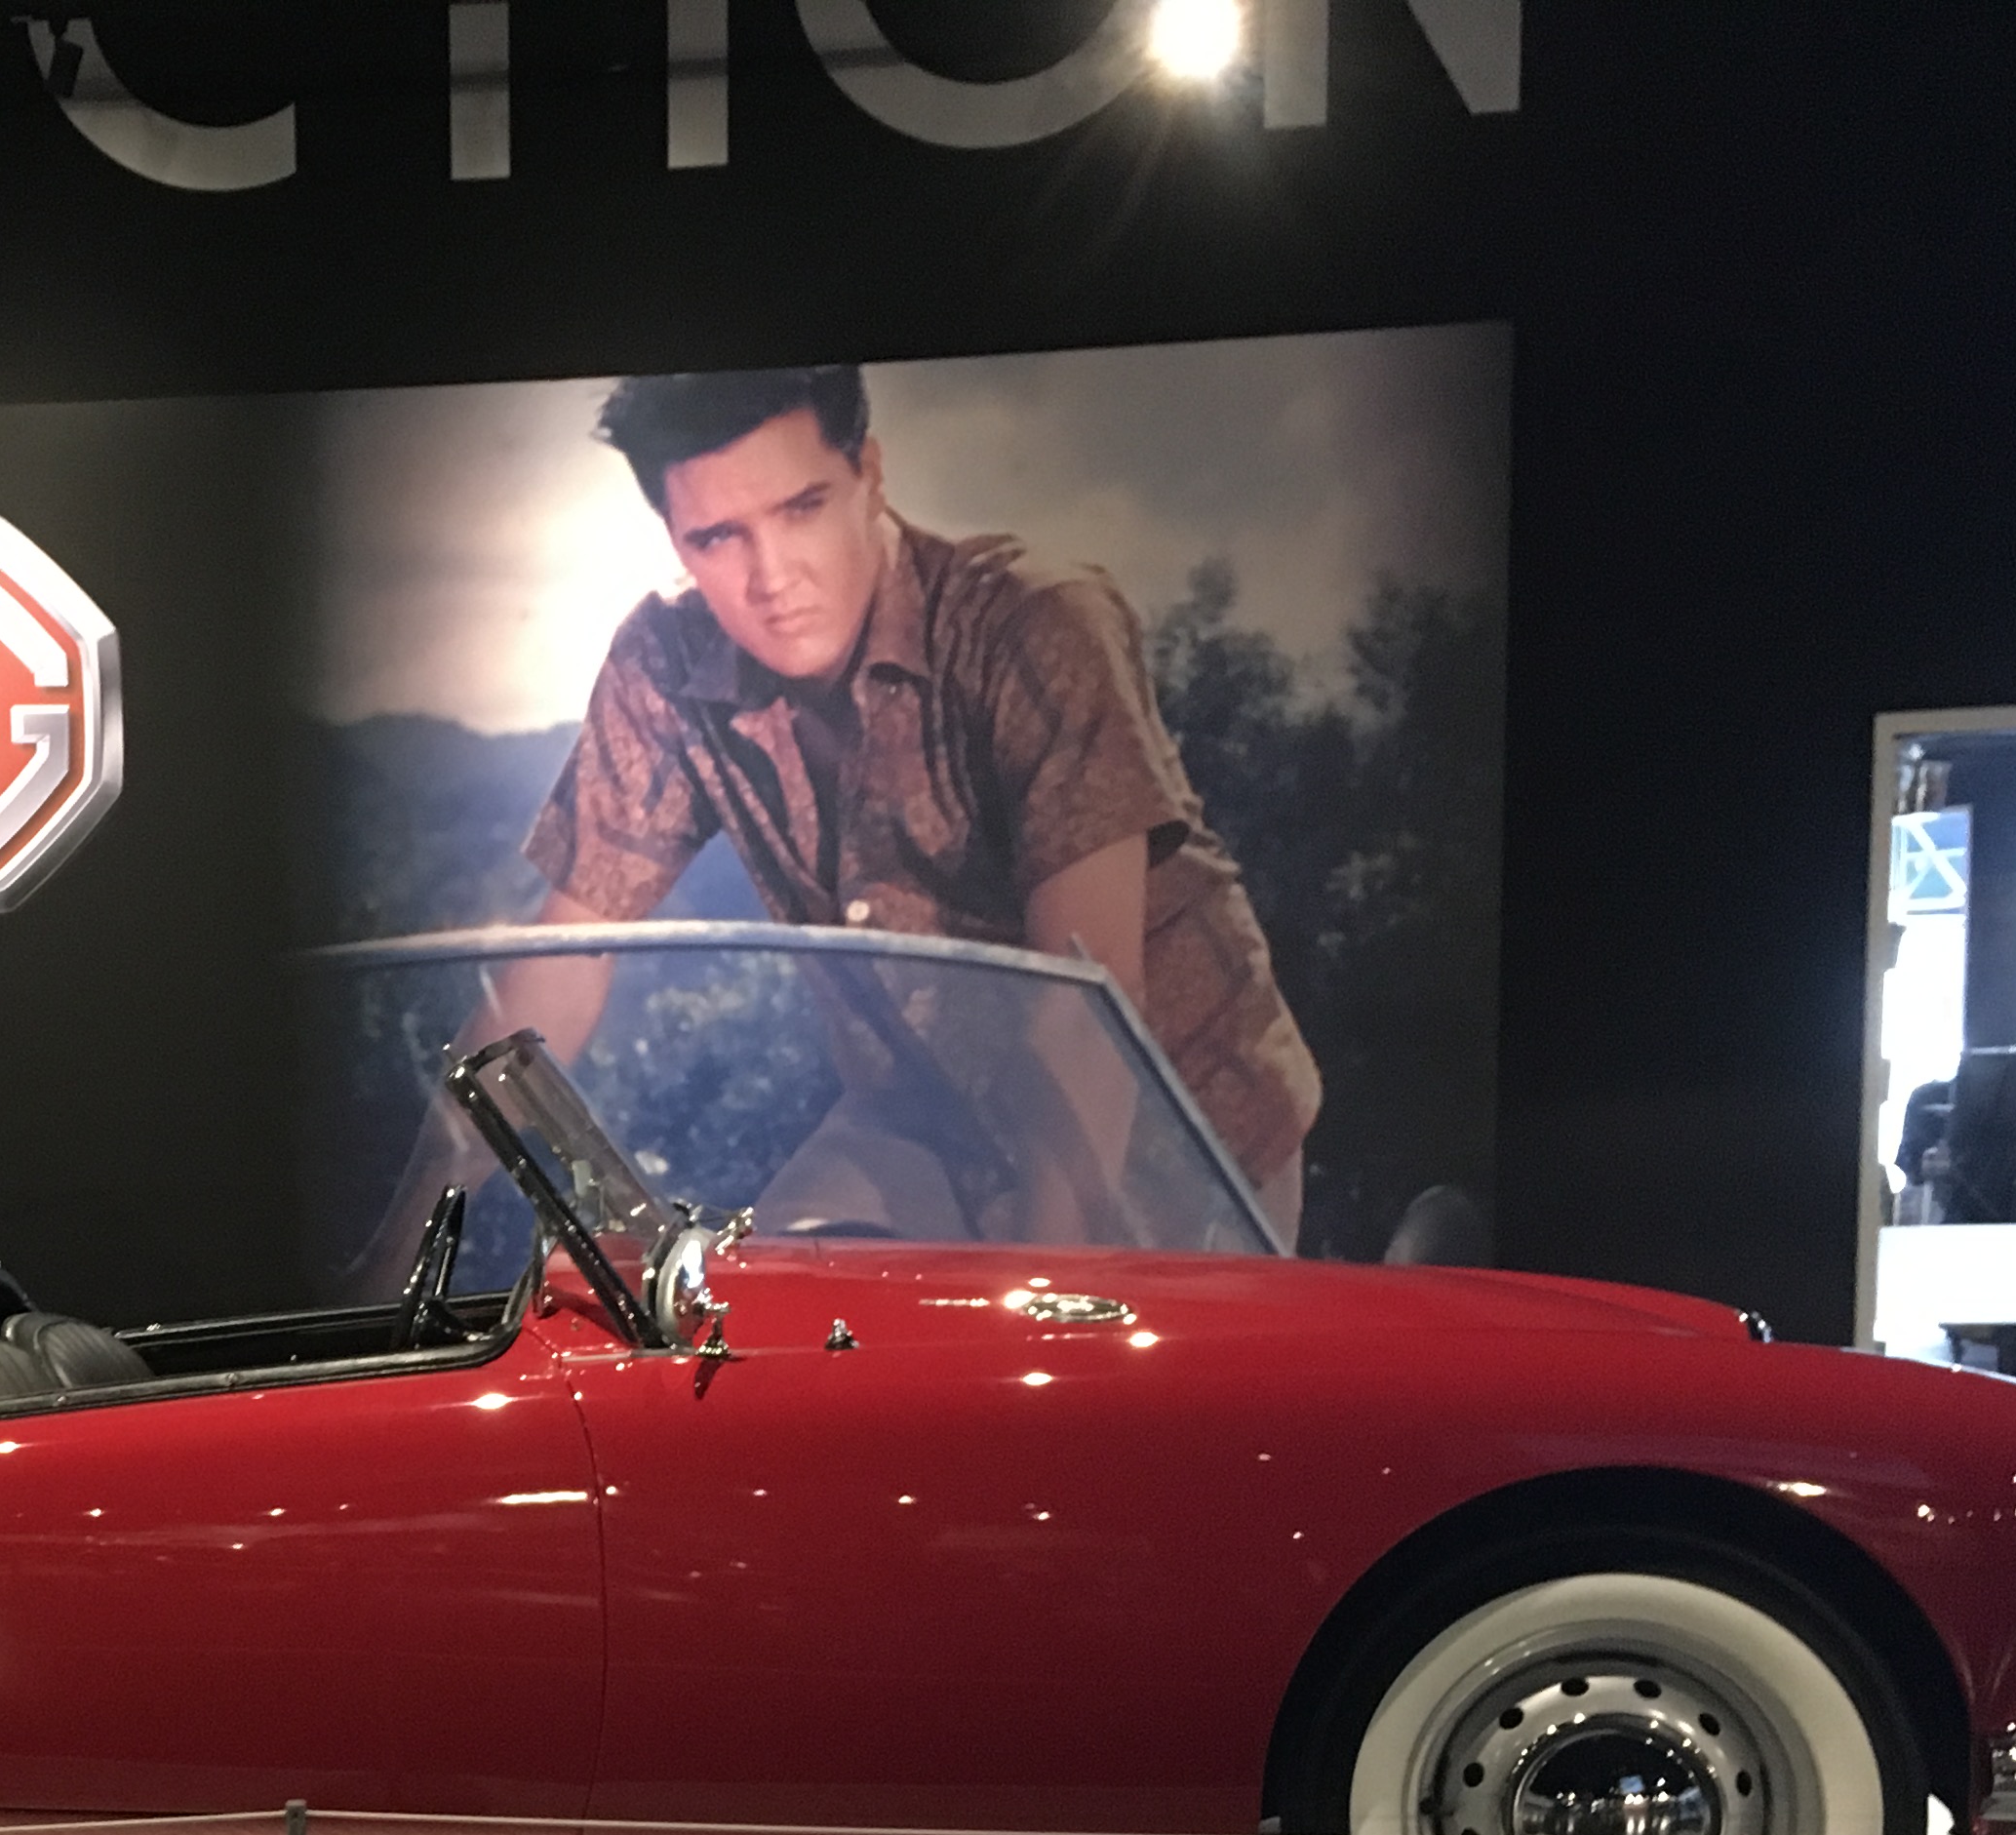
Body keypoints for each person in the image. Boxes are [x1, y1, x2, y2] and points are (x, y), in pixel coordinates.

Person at [359, 363, 1319, 1264]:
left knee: (1089, 1382)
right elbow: (559, 964)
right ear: (675, 539)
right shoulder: (664, 662)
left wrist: (1033, 1309)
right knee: (756, 1339)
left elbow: (1086, 1014)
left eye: (802, 507)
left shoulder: (1035, 624)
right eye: (717, 536)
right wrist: (389, 1263)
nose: (771, 576)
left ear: (870, 474)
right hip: (923, 1116)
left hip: (1176, 1131)